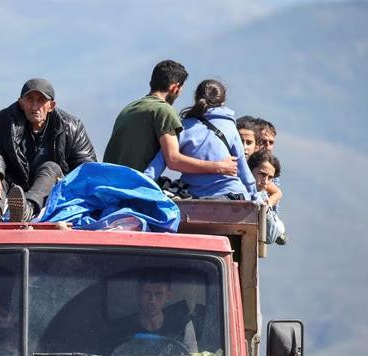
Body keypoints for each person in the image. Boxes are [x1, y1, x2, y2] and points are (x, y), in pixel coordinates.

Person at [0, 78, 97, 223]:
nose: (34, 106)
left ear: (51, 105)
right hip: (16, 188)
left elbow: (87, 168)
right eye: (30, 99)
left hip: (53, 186)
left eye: (41, 100)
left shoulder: (72, 127)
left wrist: (66, 184)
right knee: (1, 174)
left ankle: (28, 209)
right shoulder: (5, 120)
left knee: (51, 167)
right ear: (21, 103)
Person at [103, 60, 237, 177]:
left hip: (110, 180)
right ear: (174, 88)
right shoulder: (164, 110)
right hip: (133, 185)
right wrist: (219, 167)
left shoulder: (130, 108)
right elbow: (173, 160)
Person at [145, 80, 257, 200]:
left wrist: (140, 187)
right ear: (223, 102)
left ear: (196, 98)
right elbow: (243, 170)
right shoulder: (230, 127)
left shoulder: (181, 127)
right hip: (230, 195)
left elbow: (156, 166)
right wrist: (256, 197)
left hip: (192, 196)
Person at [104, 271, 198, 355]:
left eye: (158, 294)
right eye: (146, 293)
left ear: (168, 296)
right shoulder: (120, 329)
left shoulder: (183, 325)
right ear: (138, 294)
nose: (152, 300)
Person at [248, 150, 287, 245]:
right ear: (249, 170)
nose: (265, 181)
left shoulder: (262, 193)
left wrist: (266, 209)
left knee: (280, 228)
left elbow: (269, 237)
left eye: (270, 177)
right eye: (262, 174)